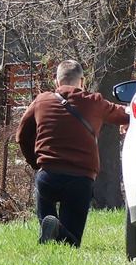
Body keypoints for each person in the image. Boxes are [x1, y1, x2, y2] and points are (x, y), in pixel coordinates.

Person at [16, 59, 129, 247]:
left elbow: (21, 136)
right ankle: (60, 231)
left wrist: (36, 163)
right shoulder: (95, 102)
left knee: (47, 219)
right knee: (72, 240)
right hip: (80, 179)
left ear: (56, 81)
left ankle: (50, 227)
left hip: (48, 175)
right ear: (82, 82)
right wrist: (128, 121)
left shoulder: (41, 101)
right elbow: (125, 113)